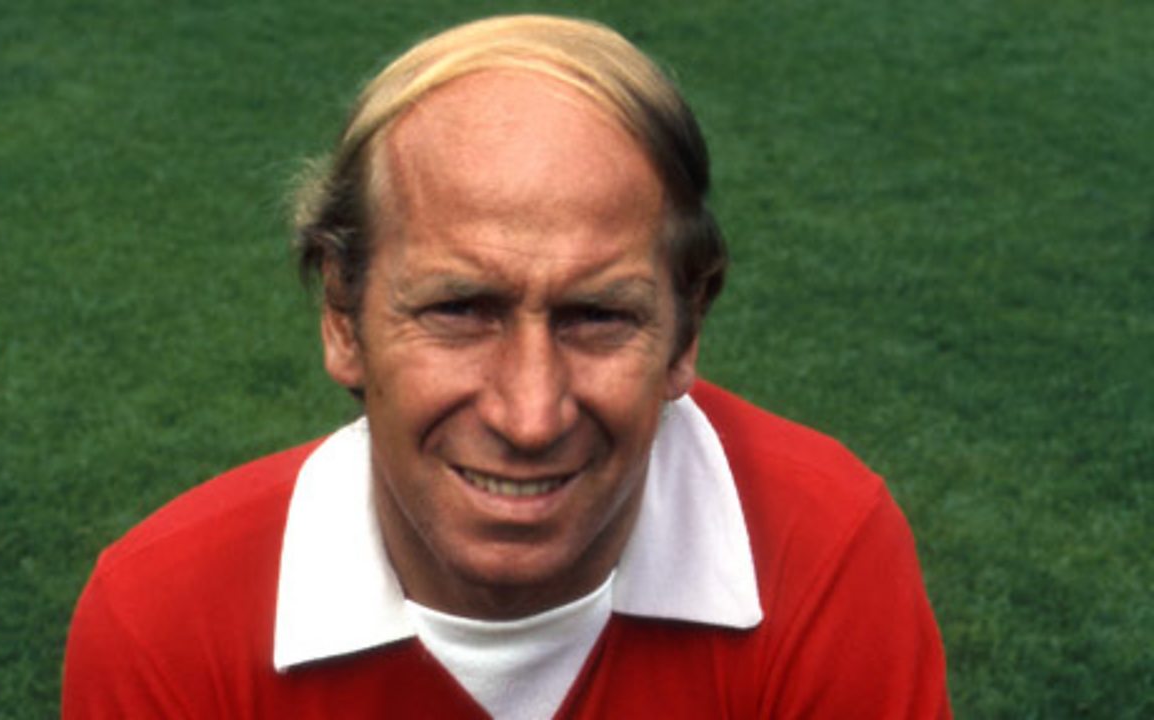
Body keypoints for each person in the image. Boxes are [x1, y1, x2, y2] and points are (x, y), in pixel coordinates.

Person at [63, 14, 950, 719]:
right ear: (342, 315)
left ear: (686, 330)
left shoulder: (821, 549)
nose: (530, 416)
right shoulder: (163, 623)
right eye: (459, 310)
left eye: (598, 317)